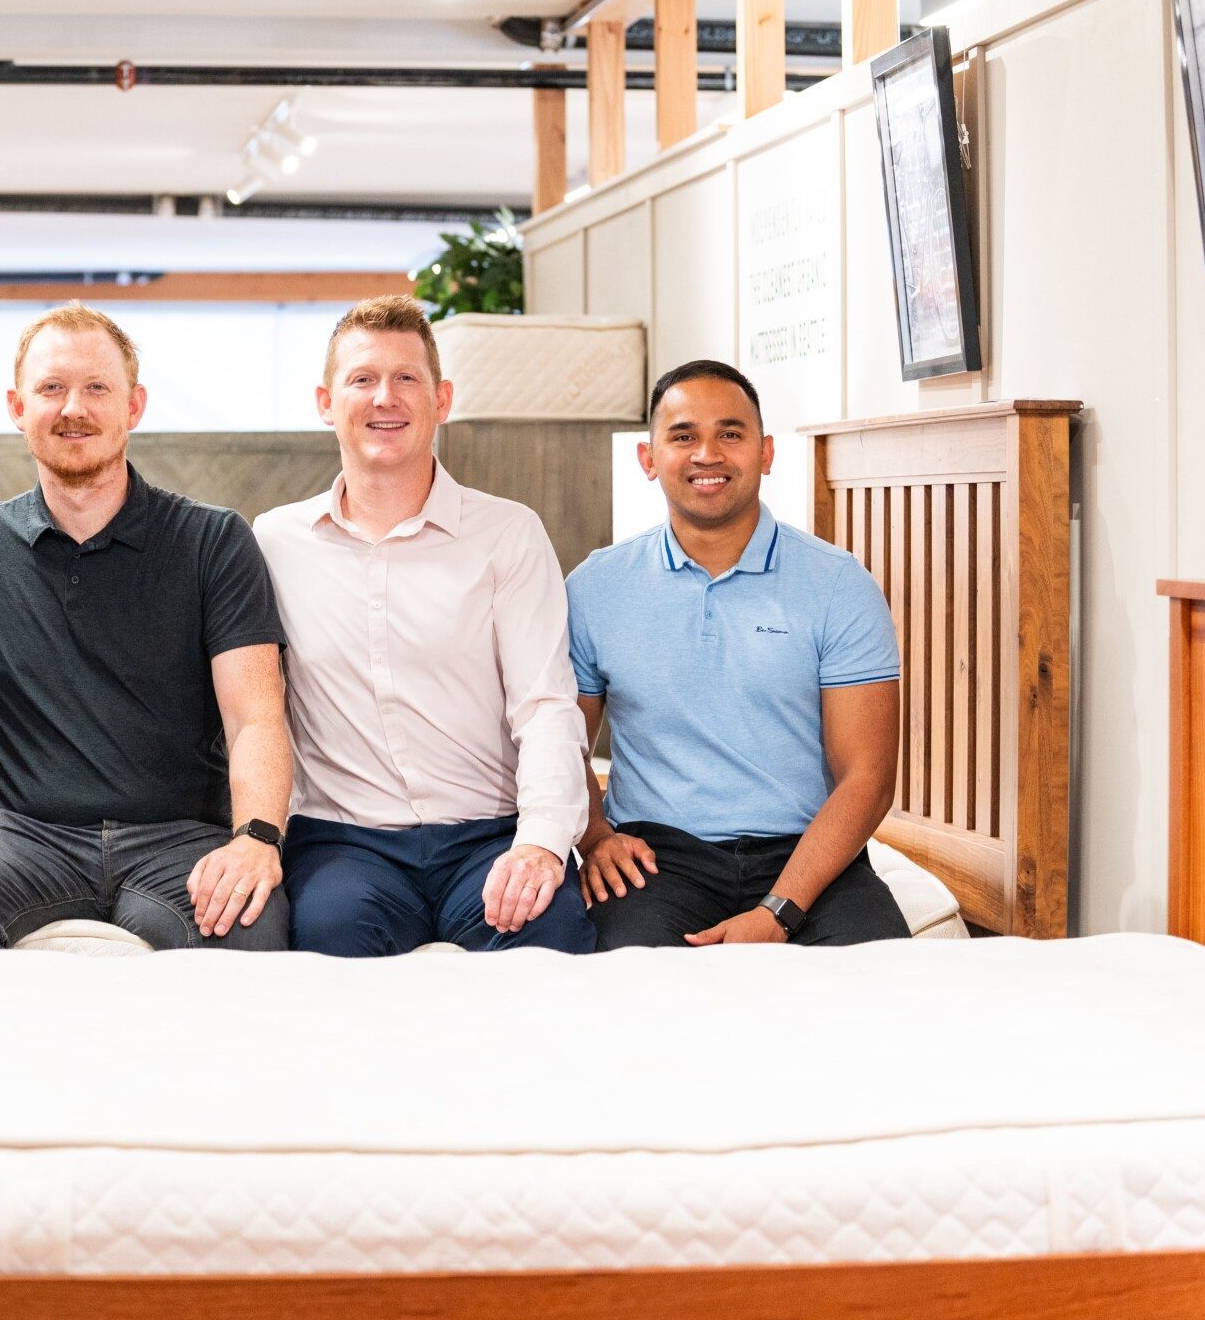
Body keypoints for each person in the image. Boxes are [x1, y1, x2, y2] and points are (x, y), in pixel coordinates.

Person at [0, 304, 291, 951]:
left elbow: (255, 716)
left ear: (134, 406)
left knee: (247, 926)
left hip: (179, 837)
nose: (73, 409)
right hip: (23, 835)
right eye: (51, 388)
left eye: (96, 388)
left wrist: (256, 838)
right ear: (17, 406)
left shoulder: (213, 540)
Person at [253, 295, 594, 956]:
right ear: (325, 402)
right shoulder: (273, 542)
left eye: (407, 378)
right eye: (363, 379)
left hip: (490, 830)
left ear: (441, 398)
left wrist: (543, 844)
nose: (387, 397)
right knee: (328, 940)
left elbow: (547, 707)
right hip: (345, 841)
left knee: (548, 939)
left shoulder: (508, 534)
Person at [567, 359, 910, 949]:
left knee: (880, 997)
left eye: (730, 433)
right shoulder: (595, 587)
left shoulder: (837, 583)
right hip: (657, 857)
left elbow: (869, 776)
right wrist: (596, 835)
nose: (708, 454)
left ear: (766, 452)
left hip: (809, 856)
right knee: (631, 996)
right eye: (682, 436)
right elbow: (559, 740)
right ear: (649, 460)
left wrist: (779, 911)